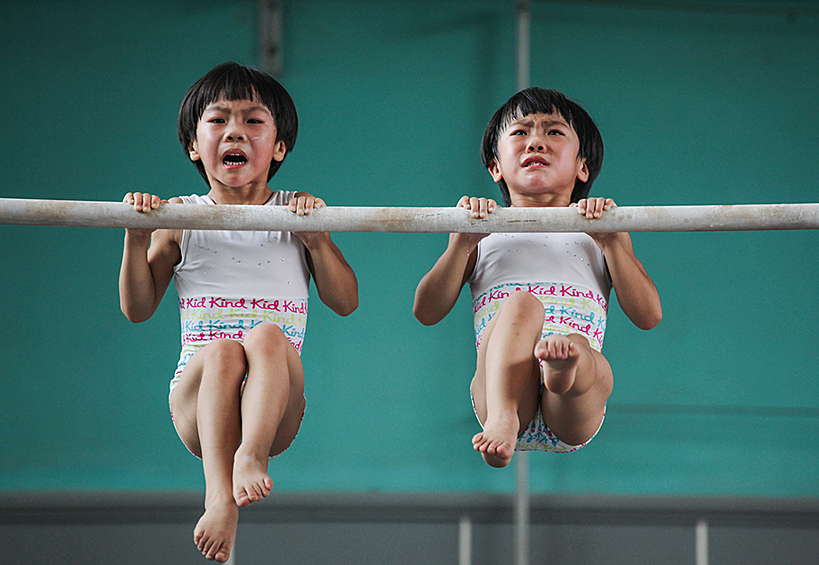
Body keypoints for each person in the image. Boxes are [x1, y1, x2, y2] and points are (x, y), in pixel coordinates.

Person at [118, 62, 358, 562]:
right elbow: (138, 308)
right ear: (193, 146)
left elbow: (345, 301)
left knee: (268, 336)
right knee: (225, 349)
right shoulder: (180, 219)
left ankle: (250, 453)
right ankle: (219, 495)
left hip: (276, 409)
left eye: (253, 121)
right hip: (198, 402)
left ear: (279, 147)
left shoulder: (299, 214)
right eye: (218, 120)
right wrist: (136, 234)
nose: (235, 132)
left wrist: (317, 240)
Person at [413, 87, 661, 469]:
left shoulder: (600, 231)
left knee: (578, 349)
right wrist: (460, 244)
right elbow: (426, 311)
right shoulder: (482, 230)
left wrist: (612, 243)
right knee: (523, 304)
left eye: (554, 132)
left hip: (575, 408)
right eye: (520, 132)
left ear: (583, 166)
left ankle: (561, 371)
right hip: (501, 395)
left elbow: (648, 315)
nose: (536, 143)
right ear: (495, 165)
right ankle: (508, 413)